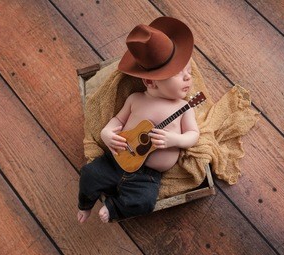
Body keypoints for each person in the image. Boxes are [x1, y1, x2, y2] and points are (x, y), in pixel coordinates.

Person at [77, 16, 200, 223]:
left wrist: (174, 140)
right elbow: (116, 120)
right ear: (150, 82)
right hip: (117, 160)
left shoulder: (184, 106)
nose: (189, 77)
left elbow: (193, 135)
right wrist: (106, 133)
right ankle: (85, 204)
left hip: (147, 176)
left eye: (189, 71)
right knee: (89, 174)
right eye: (180, 74)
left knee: (145, 202)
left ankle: (114, 207)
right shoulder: (135, 99)